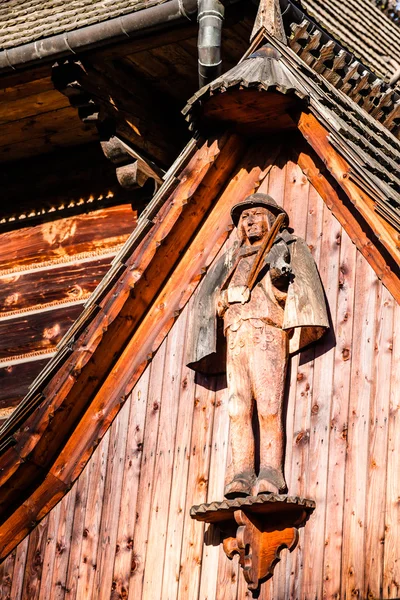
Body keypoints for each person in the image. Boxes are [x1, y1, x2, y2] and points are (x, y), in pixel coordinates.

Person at [186, 193, 328, 498]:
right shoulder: (231, 259)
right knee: (237, 407)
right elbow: (212, 298)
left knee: (267, 404)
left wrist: (277, 279)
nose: (250, 221)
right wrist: (224, 300)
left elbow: (290, 292)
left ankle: (270, 472)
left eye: (257, 215)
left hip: (266, 331)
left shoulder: (283, 249)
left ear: (271, 219)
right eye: (244, 217)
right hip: (235, 333)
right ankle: (242, 472)